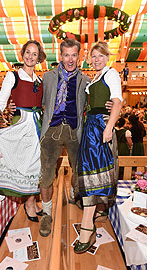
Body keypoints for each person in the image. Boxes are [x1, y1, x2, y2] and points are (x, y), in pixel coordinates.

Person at [38, 39, 112, 238]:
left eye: (73, 55)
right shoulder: (47, 77)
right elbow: (37, 102)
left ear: (78, 56)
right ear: (60, 56)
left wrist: (112, 107)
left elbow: (98, 101)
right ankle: (46, 213)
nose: (70, 59)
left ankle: (73, 195)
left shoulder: (87, 80)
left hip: (75, 131)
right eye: (66, 55)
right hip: (51, 132)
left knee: (79, 170)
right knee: (46, 175)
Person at [0, 40, 46, 222]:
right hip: (21, 124)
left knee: (35, 165)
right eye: (28, 52)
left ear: (38, 58)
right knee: (25, 164)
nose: (30, 56)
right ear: (22, 53)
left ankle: (32, 201)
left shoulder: (40, 80)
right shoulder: (13, 76)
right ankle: (28, 203)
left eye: (34, 54)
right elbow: (1, 100)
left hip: (37, 125)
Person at [74, 41, 122, 254]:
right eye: (93, 56)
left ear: (107, 57)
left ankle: (87, 226)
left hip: (101, 126)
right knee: (89, 173)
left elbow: (117, 101)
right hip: (90, 127)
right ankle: (94, 215)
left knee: (95, 174)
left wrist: (109, 127)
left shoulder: (111, 74)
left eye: (100, 56)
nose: (96, 60)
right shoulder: (94, 77)